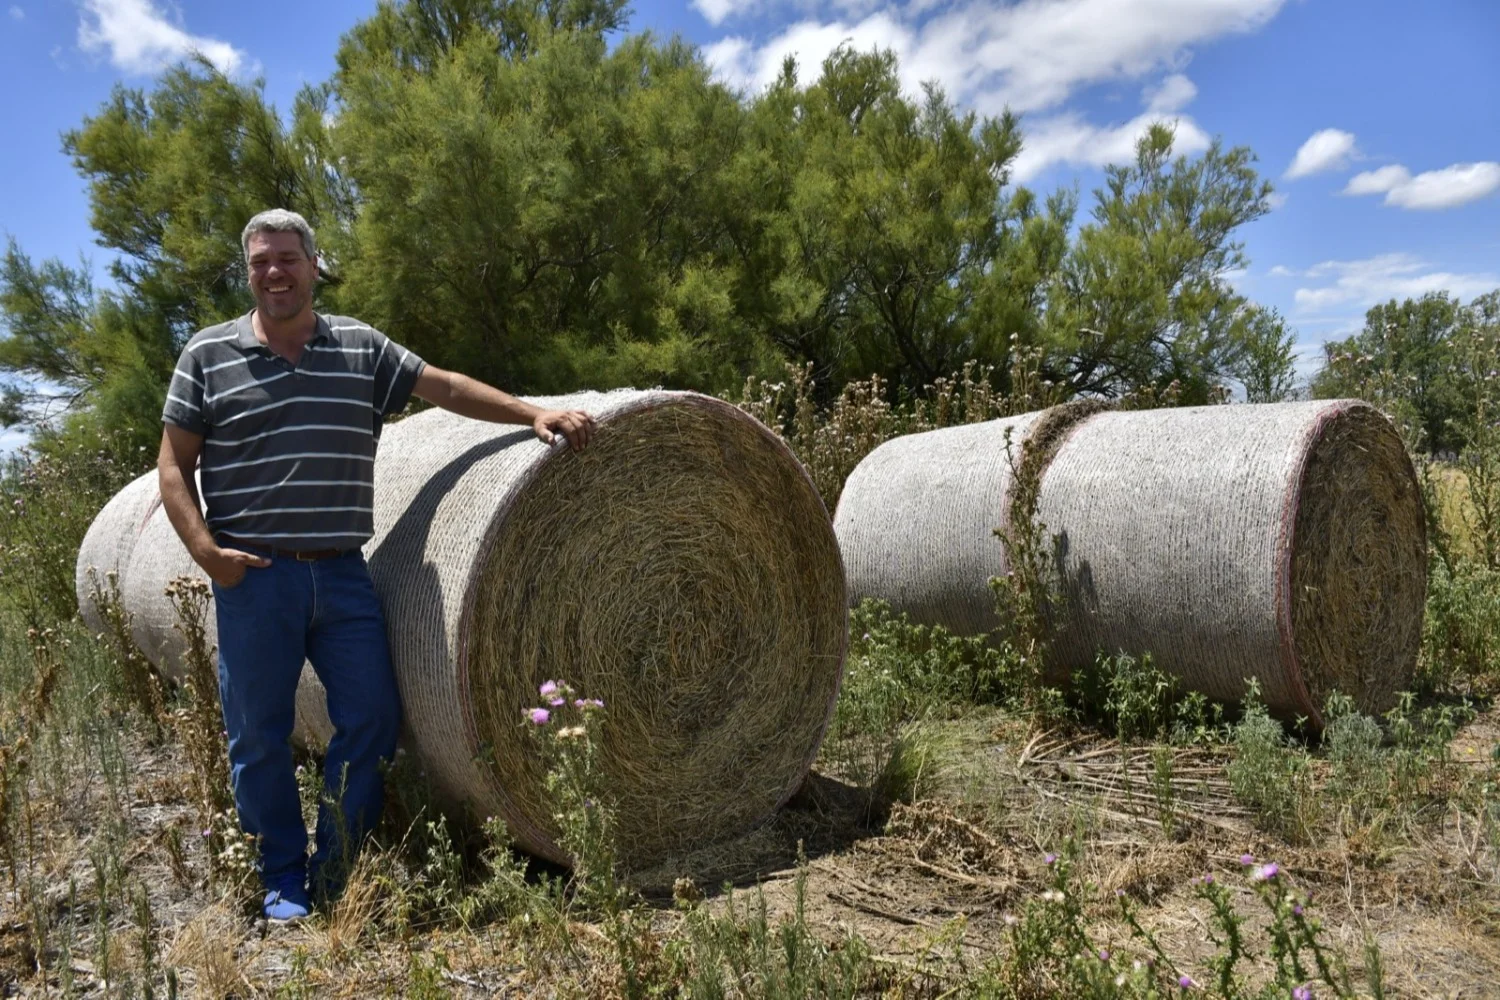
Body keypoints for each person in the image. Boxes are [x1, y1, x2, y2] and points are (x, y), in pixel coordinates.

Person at [157, 208, 595, 922]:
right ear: (248, 271)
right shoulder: (208, 355)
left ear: (312, 264)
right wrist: (206, 553)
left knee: (372, 720)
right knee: (258, 734)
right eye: (261, 261)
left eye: (287, 258)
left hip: (341, 573)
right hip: (254, 577)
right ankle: (281, 880)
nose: (274, 272)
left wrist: (529, 413)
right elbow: (173, 463)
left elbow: (442, 386)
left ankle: (334, 873)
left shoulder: (359, 346)